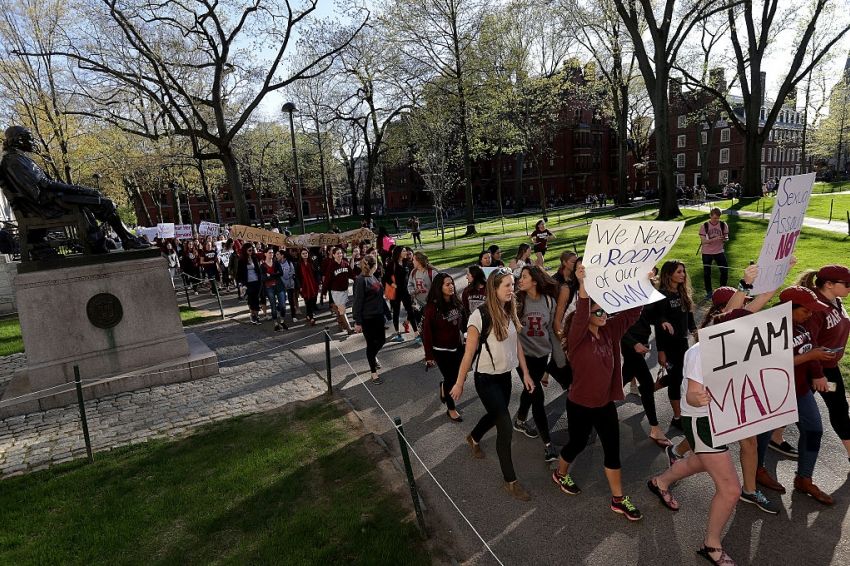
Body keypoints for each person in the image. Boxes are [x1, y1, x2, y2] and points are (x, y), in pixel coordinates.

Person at [552, 264, 644, 521]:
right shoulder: (576, 337)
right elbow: (581, 314)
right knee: (577, 443)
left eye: (606, 310)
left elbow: (631, 313)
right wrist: (582, 287)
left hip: (604, 405)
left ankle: (618, 499)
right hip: (579, 404)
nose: (605, 314)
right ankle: (560, 473)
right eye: (598, 311)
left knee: (612, 450)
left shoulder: (609, 330)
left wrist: (644, 285)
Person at [646, 316, 741, 566]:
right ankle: (711, 544)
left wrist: (748, 284)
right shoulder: (702, 351)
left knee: (699, 462)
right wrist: (702, 398)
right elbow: (692, 396)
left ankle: (660, 481)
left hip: (718, 421)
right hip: (703, 423)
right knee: (730, 490)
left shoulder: (731, 343)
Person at [451, 268, 535, 501]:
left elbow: (516, 345)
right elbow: (468, 355)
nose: (512, 289)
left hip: (505, 378)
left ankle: (474, 437)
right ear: (494, 288)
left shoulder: (510, 309)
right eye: (507, 285)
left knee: (495, 415)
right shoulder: (479, 316)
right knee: (505, 427)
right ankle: (511, 481)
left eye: (512, 284)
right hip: (486, 379)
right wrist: (459, 383)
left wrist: (525, 373)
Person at [0, 126, 149, 256]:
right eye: (29, 139)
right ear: (19, 140)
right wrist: (77, 190)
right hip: (44, 206)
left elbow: (43, 184)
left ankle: (100, 241)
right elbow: (42, 185)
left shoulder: (17, 158)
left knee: (95, 200)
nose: (33, 143)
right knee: (104, 203)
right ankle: (124, 240)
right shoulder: (14, 160)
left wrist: (78, 191)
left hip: (47, 201)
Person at [753, 285, 835, 504]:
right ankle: (757, 470)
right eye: (805, 310)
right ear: (789, 307)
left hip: (799, 389)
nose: (810, 314)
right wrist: (810, 356)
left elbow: (812, 347)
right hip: (772, 392)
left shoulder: (804, 323)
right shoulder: (769, 326)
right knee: (763, 434)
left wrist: (817, 370)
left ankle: (804, 479)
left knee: (814, 429)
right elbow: (770, 364)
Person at [798, 265, 850, 463]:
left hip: (827, 367)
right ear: (828, 284)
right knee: (838, 407)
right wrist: (818, 375)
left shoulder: (835, 300)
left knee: (795, 407)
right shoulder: (816, 309)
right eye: (847, 284)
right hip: (816, 370)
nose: (849, 287)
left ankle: (774, 437)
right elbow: (810, 343)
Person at [513, 266, 560, 462]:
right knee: (536, 395)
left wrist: (559, 359)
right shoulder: (516, 302)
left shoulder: (549, 301)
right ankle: (548, 445)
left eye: (524, 277)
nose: (520, 280)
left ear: (534, 281)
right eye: (520, 277)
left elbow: (552, 330)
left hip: (542, 355)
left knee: (529, 390)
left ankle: (520, 420)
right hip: (523, 357)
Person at [621, 268, 671, 448]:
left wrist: (662, 321)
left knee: (626, 374)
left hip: (642, 340)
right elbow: (615, 323)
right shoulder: (623, 289)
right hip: (628, 341)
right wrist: (633, 344)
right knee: (647, 383)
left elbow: (655, 313)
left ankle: (599, 401)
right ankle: (655, 428)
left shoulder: (648, 287)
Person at [654, 260, 697, 430]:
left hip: (682, 344)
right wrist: (661, 351)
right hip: (669, 347)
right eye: (678, 272)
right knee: (675, 380)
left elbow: (690, 319)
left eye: (683, 272)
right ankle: (677, 417)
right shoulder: (662, 296)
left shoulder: (683, 293)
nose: (682, 275)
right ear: (668, 274)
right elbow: (659, 326)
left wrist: (696, 334)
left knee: (680, 374)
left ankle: (648, 389)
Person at [422, 273, 466, 422]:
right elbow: (426, 334)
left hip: (458, 347)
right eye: (447, 284)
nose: (451, 286)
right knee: (451, 380)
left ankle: (443, 386)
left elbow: (464, 321)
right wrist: (429, 356)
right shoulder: (431, 308)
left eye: (452, 283)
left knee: (462, 376)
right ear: (439, 287)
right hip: (441, 351)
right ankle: (451, 408)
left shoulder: (456, 302)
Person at [353, 255, 388, 384]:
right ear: (374, 266)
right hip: (368, 318)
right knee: (371, 344)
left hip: (379, 316)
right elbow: (357, 302)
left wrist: (387, 313)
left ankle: (372, 357)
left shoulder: (373, 277)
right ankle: (373, 372)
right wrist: (357, 321)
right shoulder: (361, 280)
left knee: (382, 340)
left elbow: (380, 297)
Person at [384, 246, 416, 343]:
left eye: (406, 251)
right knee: (396, 312)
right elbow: (385, 277)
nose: (406, 252)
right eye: (404, 251)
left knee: (410, 311)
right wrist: (394, 285)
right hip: (396, 292)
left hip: (406, 291)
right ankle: (397, 332)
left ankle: (416, 333)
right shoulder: (391, 264)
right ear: (398, 253)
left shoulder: (407, 262)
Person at [698, 208, 730, 299]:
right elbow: (704, 242)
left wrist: (725, 239)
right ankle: (709, 292)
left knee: (724, 271)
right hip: (707, 253)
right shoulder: (704, 226)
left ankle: (722, 290)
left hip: (719, 251)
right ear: (710, 215)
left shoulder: (723, 225)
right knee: (707, 273)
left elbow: (726, 237)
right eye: (714, 218)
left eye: (717, 218)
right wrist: (715, 239)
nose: (716, 220)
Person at [323, 246, 354, 334]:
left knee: (340, 309)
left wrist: (358, 280)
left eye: (341, 253)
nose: (340, 255)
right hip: (336, 291)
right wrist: (324, 292)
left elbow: (351, 274)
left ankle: (340, 325)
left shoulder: (345, 263)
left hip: (344, 290)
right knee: (342, 310)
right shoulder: (331, 266)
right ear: (333, 255)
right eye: (338, 253)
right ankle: (349, 329)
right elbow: (327, 280)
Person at [408, 251, 436, 346]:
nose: (412, 262)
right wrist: (413, 291)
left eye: (414, 260)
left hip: (430, 305)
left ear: (419, 261)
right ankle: (427, 352)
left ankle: (434, 350)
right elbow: (410, 285)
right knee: (422, 329)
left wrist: (432, 298)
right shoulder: (413, 272)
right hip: (418, 305)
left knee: (431, 329)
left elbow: (438, 288)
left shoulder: (432, 272)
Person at [236, 243, 263, 324]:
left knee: (257, 299)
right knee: (251, 299)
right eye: (249, 250)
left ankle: (256, 316)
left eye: (252, 250)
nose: (251, 252)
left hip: (257, 281)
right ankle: (253, 315)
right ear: (245, 250)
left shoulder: (255, 258)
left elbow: (258, 269)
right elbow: (239, 273)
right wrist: (241, 284)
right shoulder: (241, 260)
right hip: (248, 282)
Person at [261, 247, 285, 331]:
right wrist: (275, 274)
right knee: (273, 305)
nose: (271, 254)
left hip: (279, 285)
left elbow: (281, 273)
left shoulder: (276, 263)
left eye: (272, 253)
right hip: (269, 287)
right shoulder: (263, 266)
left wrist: (270, 275)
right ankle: (275, 323)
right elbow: (263, 278)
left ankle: (282, 321)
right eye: (270, 252)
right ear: (265, 254)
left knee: (282, 305)